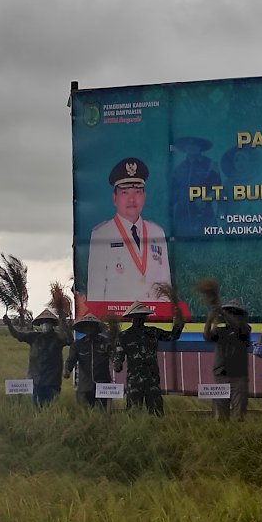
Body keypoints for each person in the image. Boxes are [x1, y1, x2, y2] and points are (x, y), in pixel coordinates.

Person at [85, 157, 171, 303]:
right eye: (125, 193)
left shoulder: (157, 233)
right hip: (118, 322)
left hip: (156, 321)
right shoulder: (102, 234)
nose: (132, 199)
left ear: (144, 196)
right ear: (114, 198)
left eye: (137, 192)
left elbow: (165, 287)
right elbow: (96, 291)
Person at [113, 301, 184, 414]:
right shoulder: (123, 336)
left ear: (145, 318)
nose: (139, 320)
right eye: (136, 317)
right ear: (131, 318)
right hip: (134, 381)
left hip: (152, 379)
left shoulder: (153, 332)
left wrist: (179, 321)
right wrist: (117, 364)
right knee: (133, 413)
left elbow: (173, 336)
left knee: (156, 412)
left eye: (141, 317)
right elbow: (118, 357)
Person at [3, 309, 71, 406]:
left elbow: (69, 340)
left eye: (48, 323)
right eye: (43, 323)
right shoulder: (34, 337)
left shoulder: (58, 338)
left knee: (50, 406)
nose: (45, 325)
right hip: (36, 378)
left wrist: (64, 323)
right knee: (36, 406)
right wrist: (9, 324)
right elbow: (17, 335)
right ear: (40, 325)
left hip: (52, 379)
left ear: (52, 325)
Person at [203, 300, 252, 421]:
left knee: (239, 412)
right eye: (229, 312)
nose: (232, 315)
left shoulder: (244, 329)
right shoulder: (221, 331)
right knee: (220, 412)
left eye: (234, 313)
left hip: (239, 377)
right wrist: (210, 320)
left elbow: (238, 327)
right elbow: (207, 336)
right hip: (221, 375)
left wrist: (223, 313)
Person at [63, 313, 113, 408]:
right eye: (87, 326)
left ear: (97, 328)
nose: (89, 328)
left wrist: (117, 362)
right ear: (83, 328)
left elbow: (115, 358)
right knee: (84, 415)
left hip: (103, 385)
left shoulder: (106, 343)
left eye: (92, 326)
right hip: (85, 386)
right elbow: (71, 360)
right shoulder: (78, 345)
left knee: (104, 414)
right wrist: (67, 370)